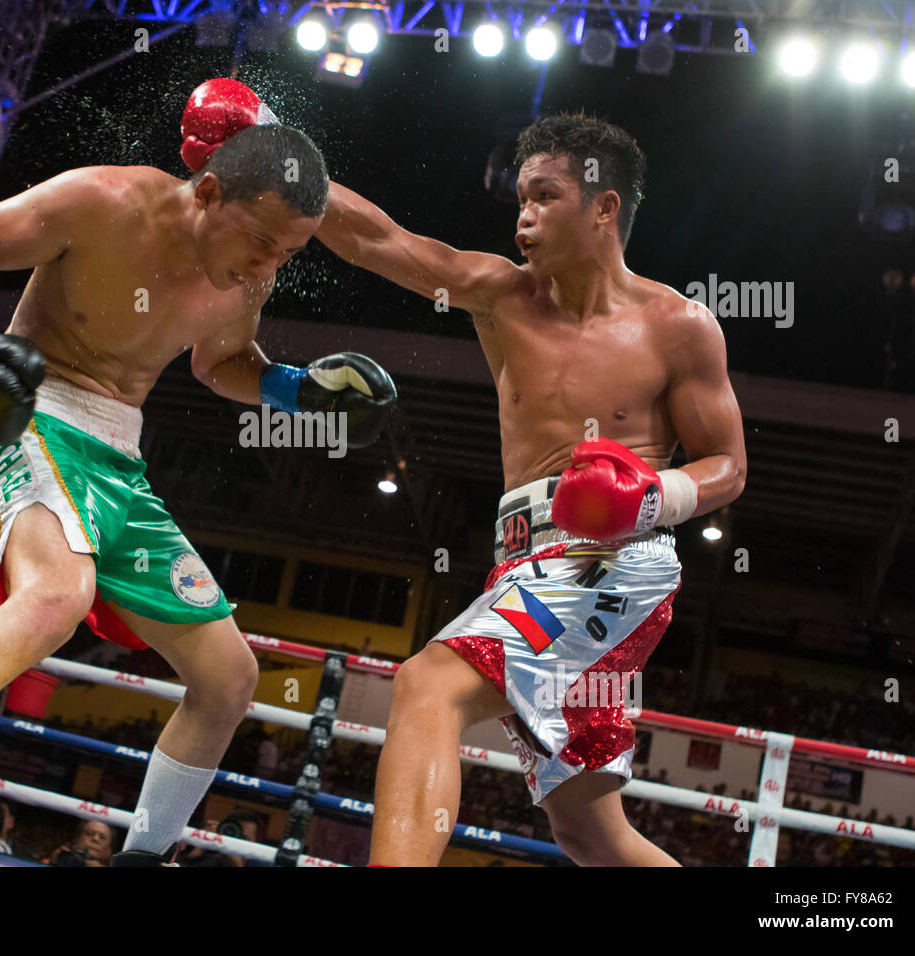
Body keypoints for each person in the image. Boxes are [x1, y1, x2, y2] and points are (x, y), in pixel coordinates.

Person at [0, 80, 396, 867]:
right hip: (34, 412)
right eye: (262, 241)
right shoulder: (103, 199)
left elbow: (222, 360)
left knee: (229, 675)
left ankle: (141, 858)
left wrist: (296, 391)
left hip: (121, 456)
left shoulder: (252, 271)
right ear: (211, 190)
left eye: (288, 254)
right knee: (56, 596)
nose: (269, 264)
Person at [314, 112, 746, 865]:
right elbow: (381, 242)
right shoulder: (501, 295)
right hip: (521, 565)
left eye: (545, 196)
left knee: (427, 687)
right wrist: (274, 151)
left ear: (604, 207)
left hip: (610, 565)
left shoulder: (678, 325)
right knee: (590, 831)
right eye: (520, 198)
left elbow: (728, 466)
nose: (524, 215)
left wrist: (649, 495)